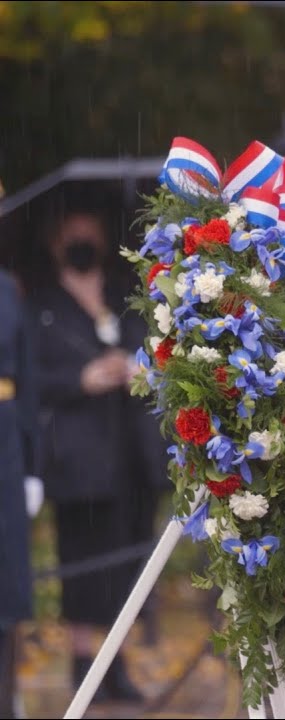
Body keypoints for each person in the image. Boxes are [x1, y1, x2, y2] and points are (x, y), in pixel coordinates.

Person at [26, 209, 169, 704]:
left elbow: (158, 352)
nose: (84, 239)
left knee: (130, 563)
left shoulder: (126, 297)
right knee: (85, 563)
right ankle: (87, 664)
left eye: (91, 230)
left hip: (132, 453)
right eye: (73, 233)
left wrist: (136, 369)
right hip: (80, 460)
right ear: (55, 241)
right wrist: (81, 380)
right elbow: (29, 381)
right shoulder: (41, 307)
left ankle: (119, 661)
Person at [0, 267, 40, 718]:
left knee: (7, 576)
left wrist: (33, 467)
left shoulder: (9, 288)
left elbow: (28, 380)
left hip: (5, 441)